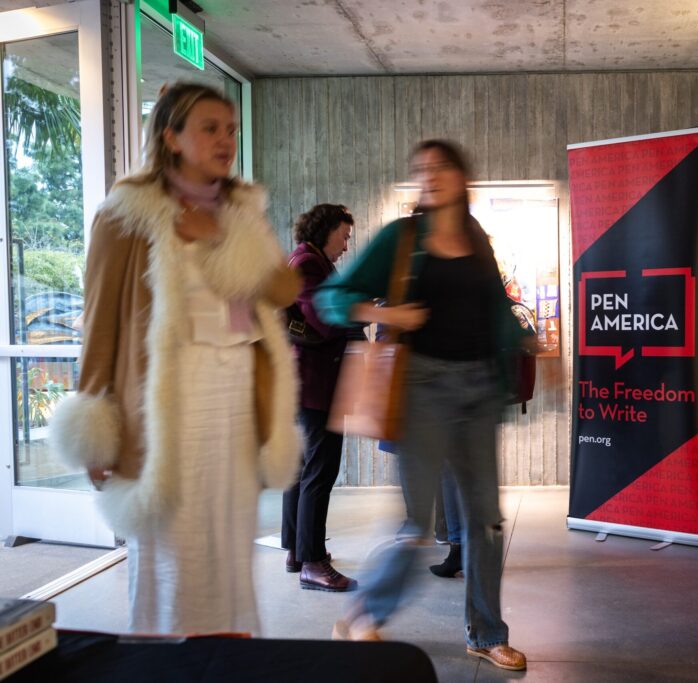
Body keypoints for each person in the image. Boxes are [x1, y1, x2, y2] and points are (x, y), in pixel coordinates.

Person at [49, 82, 301, 635]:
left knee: (229, 542)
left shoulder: (241, 210)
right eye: (210, 128)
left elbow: (282, 291)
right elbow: (100, 325)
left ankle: (229, 654)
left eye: (231, 129)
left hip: (236, 395)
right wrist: (97, 431)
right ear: (171, 136)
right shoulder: (127, 215)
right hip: (168, 402)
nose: (226, 140)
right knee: (173, 543)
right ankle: (166, 655)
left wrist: (218, 238)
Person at [315, 139, 532, 672]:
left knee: (485, 522)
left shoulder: (476, 236)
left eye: (440, 168)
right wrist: (383, 311)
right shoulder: (402, 238)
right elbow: (331, 298)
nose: (429, 176)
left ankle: (486, 632)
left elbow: (495, 306)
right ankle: (364, 614)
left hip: (479, 390)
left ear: (463, 177)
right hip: (424, 388)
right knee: (416, 523)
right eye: (421, 170)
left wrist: (523, 342)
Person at [281, 203, 359, 591]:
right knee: (319, 470)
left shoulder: (306, 260)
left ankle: (298, 551)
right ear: (325, 229)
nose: (346, 245)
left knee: (302, 469)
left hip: (306, 382)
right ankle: (312, 562)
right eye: (344, 235)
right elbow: (325, 321)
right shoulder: (308, 263)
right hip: (316, 383)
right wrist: (362, 311)